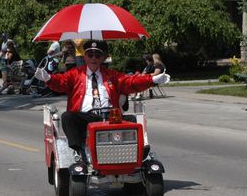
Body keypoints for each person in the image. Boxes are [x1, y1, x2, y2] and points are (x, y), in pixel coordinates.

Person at [34, 40, 170, 160]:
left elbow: (130, 82)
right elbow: (61, 82)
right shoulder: (75, 74)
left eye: (97, 55)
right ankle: (78, 151)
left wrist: (151, 79)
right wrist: (49, 78)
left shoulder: (111, 75)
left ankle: (137, 153)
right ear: (84, 56)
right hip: (85, 118)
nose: (93, 58)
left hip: (111, 117)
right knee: (67, 117)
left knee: (132, 122)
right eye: (90, 55)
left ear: (103, 58)